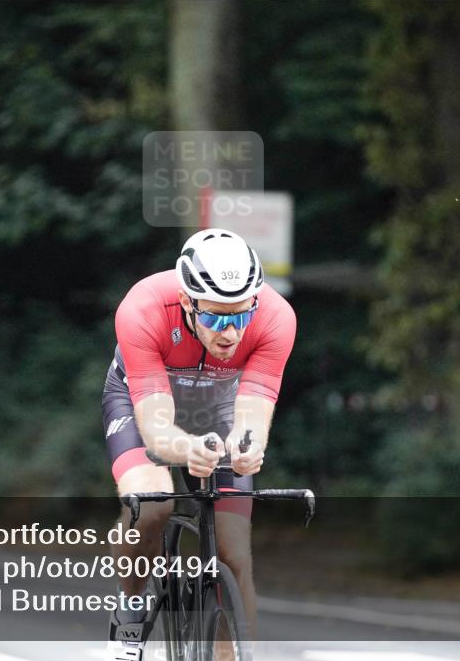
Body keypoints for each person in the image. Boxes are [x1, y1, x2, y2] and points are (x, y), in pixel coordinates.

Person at [103, 229, 296, 660]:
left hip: (220, 405)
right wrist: (186, 450)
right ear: (189, 303)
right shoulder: (144, 308)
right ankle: (131, 609)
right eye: (215, 318)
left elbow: (251, 417)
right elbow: (156, 429)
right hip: (145, 402)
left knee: (233, 553)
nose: (230, 333)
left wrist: (248, 447)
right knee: (152, 505)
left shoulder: (276, 318)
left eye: (240, 317)